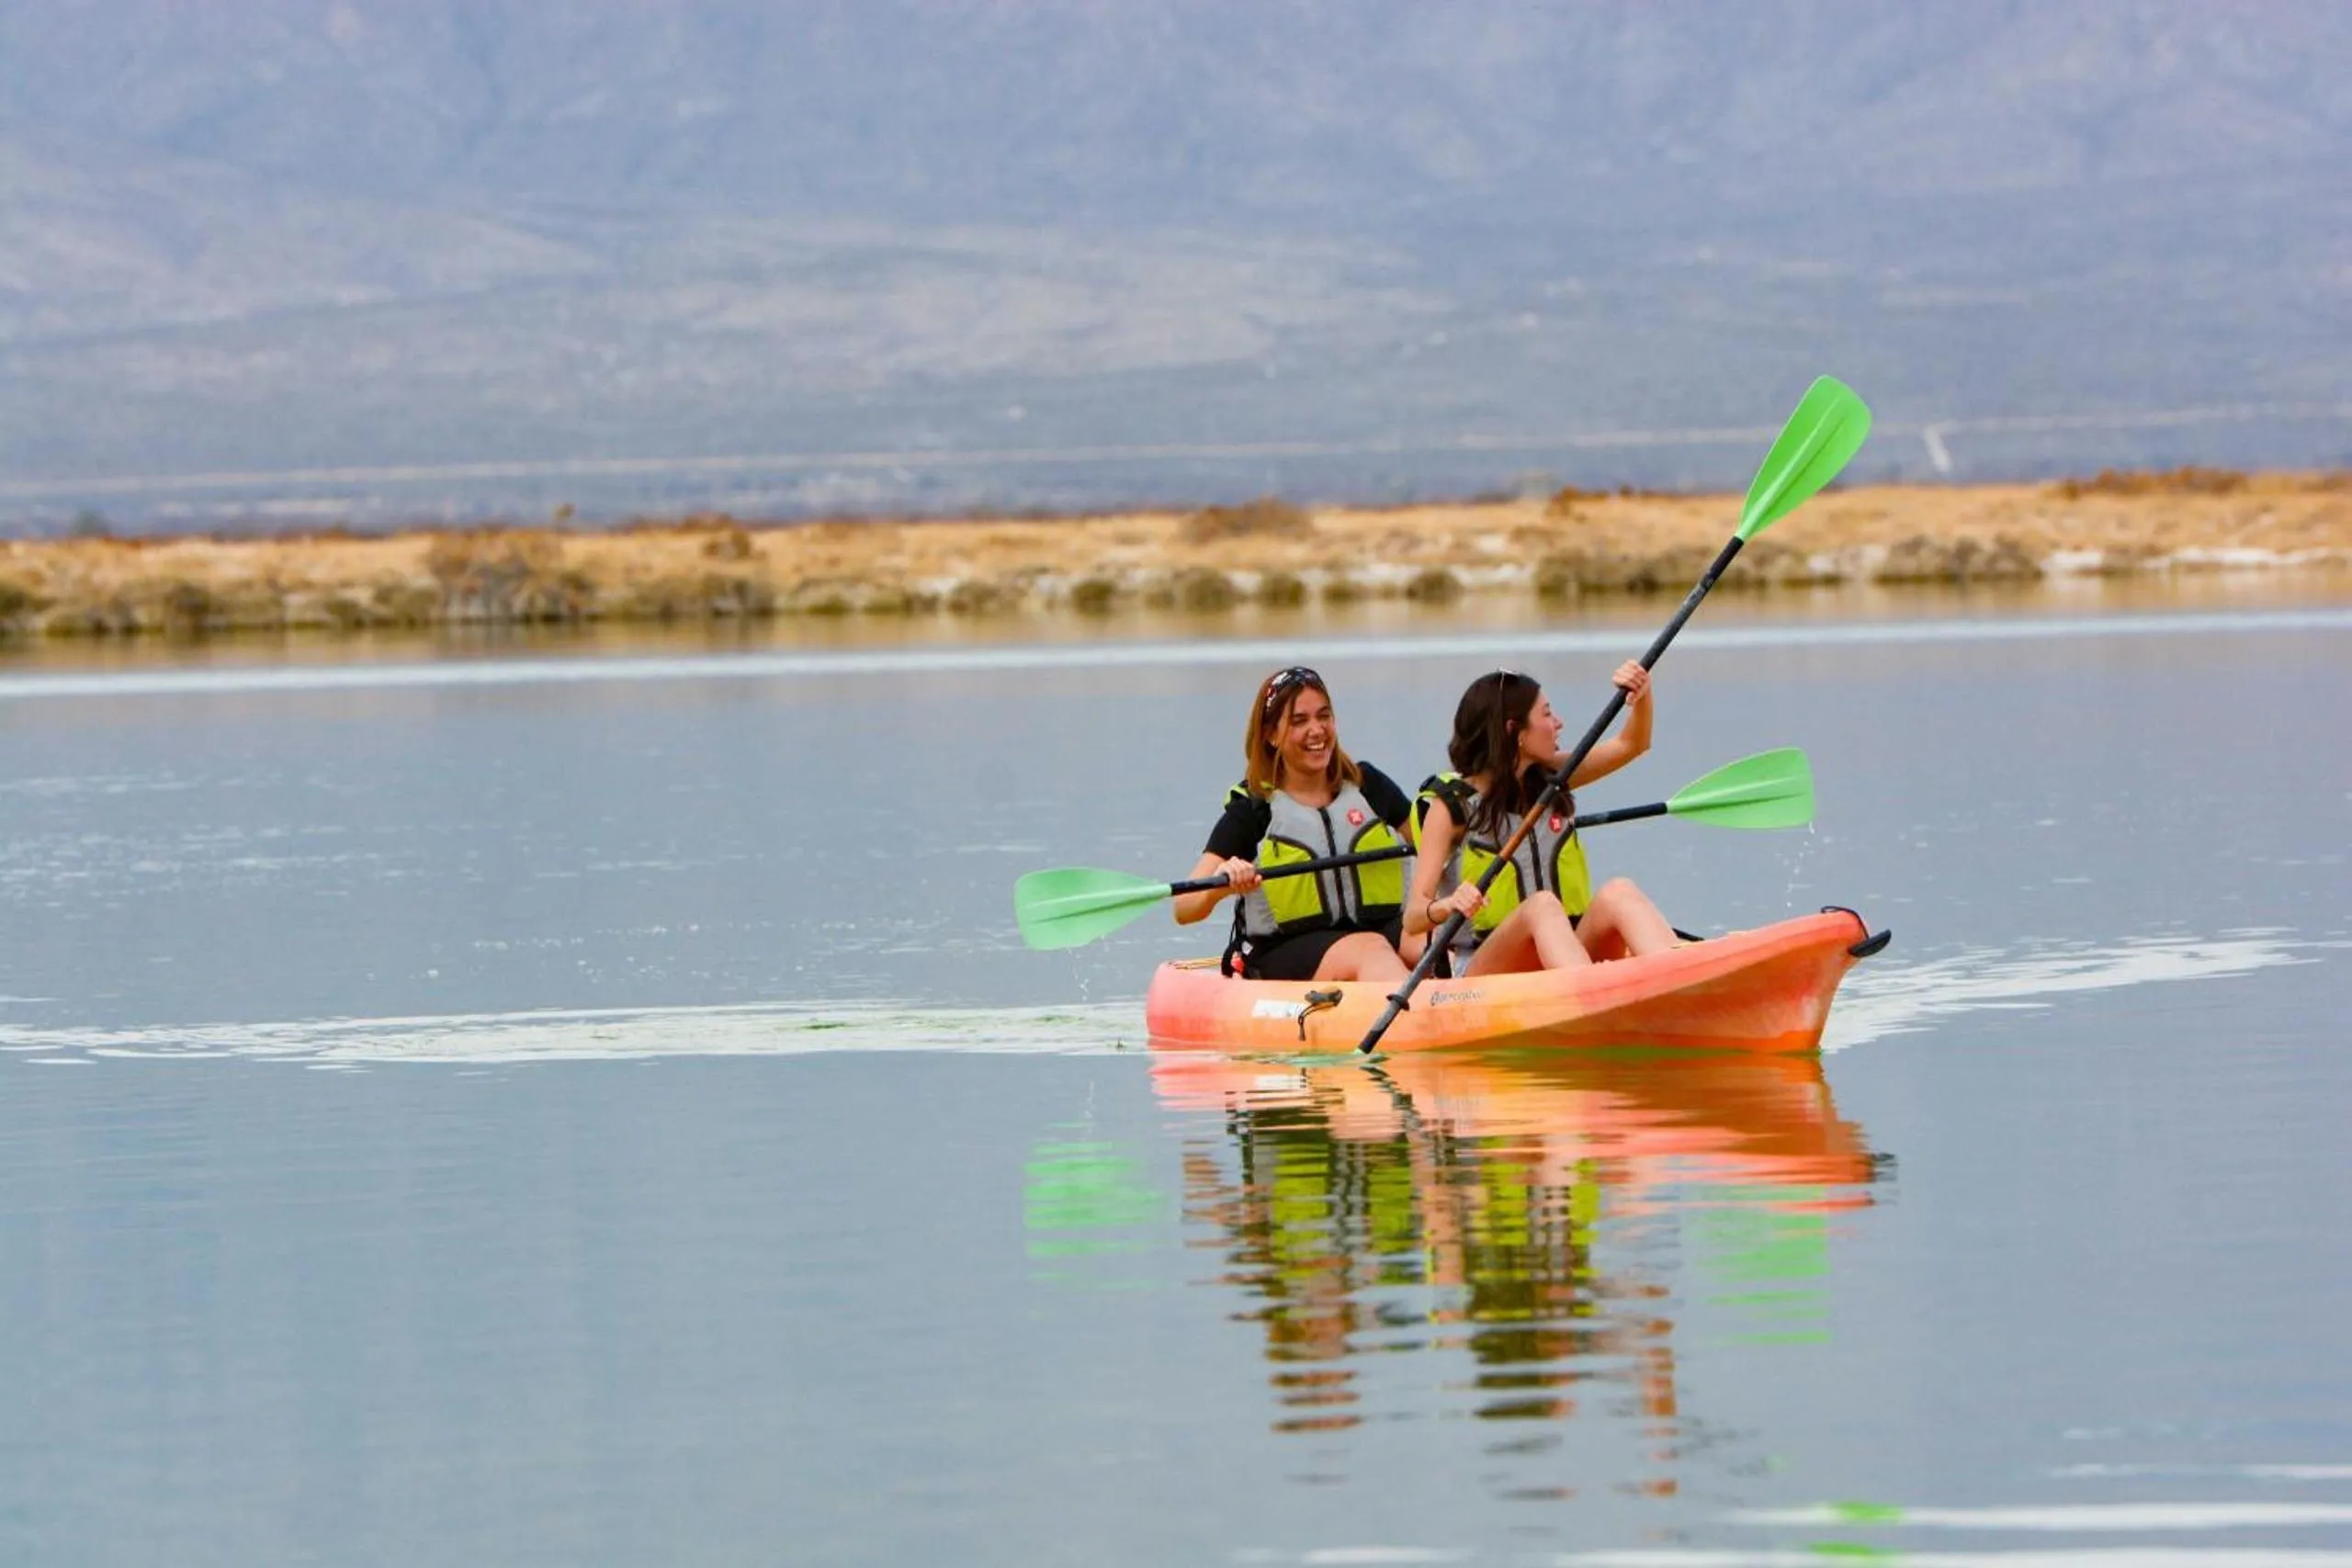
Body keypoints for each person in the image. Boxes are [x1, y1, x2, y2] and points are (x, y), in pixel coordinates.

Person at [1403, 664, 1679, 976]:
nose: (1558, 723)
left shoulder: (1552, 779)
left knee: (1619, 891)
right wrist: (1449, 903)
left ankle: (1685, 976)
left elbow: (1631, 744)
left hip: (1562, 957)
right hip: (1487, 970)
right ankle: (1589, 997)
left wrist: (1642, 696)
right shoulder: (1451, 807)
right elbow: (1413, 916)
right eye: (1547, 714)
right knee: (1542, 906)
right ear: (1513, 731)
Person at [1175, 666, 1416, 983]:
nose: (1317, 730)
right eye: (1299, 721)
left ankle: (1468, 1007)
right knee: (1370, 948)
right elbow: (1184, 908)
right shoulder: (1254, 809)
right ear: (1271, 735)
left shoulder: (1369, 786)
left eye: (1324, 716)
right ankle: (1424, 1018)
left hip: (1381, 932)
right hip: (1288, 951)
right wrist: (1221, 884)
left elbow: (1435, 846)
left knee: (1434, 935)